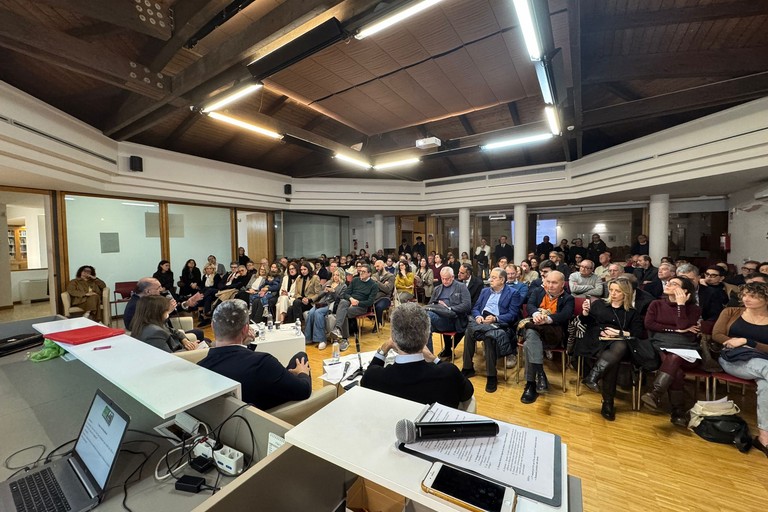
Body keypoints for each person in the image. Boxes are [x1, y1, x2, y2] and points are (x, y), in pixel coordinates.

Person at [198, 299, 311, 411]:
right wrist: (303, 373)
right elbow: (303, 391)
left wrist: (245, 342)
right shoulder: (263, 362)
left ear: (213, 326)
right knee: (301, 357)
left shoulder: (201, 367)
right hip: (274, 415)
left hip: (240, 413)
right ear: (246, 329)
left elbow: (237, 359)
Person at [361, 303, 474, 408]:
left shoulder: (375, 377)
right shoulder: (449, 373)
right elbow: (467, 393)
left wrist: (384, 349)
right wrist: (434, 359)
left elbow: (367, 378)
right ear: (426, 338)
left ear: (393, 338)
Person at [576, 279, 644, 420]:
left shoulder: (631, 312)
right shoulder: (600, 304)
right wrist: (585, 313)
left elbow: (638, 333)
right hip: (596, 340)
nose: (613, 293)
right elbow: (586, 322)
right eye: (611, 290)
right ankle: (607, 402)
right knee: (612, 361)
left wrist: (619, 333)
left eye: (617, 291)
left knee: (619, 347)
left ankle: (594, 378)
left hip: (618, 343)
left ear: (626, 293)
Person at [713, 282, 768, 456]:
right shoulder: (731, 312)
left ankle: (764, 438)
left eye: (753, 296)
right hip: (733, 358)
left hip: (762, 360)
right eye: (744, 295)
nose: (746, 299)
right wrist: (737, 343)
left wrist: (747, 341)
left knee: (766, 385)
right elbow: (717, 334)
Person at [640, 276, 702, 426]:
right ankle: (677, 412)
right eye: (668, 282)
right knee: (677, 372)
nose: (668, 285)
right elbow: (649, 324)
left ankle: (656, 394)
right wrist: (676, 330)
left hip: (686, 347)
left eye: (674, 284)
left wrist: (681, 305)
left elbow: (683, 324)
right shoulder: (656, 304)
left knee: (675, 360)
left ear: (685, 290)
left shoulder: (694, 308)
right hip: (661, 344)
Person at [461, 268, 522, 393]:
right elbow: (476, 308)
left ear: (502, 280)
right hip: (482, 321)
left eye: (494, 278)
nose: (490, 280)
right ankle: (468, 367)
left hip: (499, 324)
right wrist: (478, 316)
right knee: (468, 331)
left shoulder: (513, 293)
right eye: (491, 277)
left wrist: (495, 318)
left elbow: (513, 315)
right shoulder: (485, 291)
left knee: (489, 337)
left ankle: (491, 376)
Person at [520, 271, 574, 404]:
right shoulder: (538, 291)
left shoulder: (568, 298)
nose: (550, 285)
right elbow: (530, 305)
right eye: (548, 282)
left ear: (562, 284)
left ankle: (532, 383)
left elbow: (565, 315)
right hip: (536, 331)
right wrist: (536, 314)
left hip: (553, 334)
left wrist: (548, 319)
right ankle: (535, 379)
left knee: (529, 340)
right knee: (531, 337)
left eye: (555, 283)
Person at [123, 277, 204, 339]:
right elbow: (151, 323)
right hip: (160, 336)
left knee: (200, 335)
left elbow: (166, 311)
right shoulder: (137, 305)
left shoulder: (147, 300)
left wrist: (186, 303)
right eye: (158, 288)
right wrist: (167, 312)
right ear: (148, 291)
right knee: (199, 334)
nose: (161, 290)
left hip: (167, 332)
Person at [330, 264, 379, 350]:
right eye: (360, 271)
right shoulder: (355, 280)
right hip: (350, 302)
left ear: (369, 274)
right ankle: (338, 330)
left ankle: (344, 338)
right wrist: (351, 299)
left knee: (344, 311)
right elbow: (346, 294)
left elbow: (370, 302)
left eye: (364, 272)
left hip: (361, 306)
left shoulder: (373, 285)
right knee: (343, 302)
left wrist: (358, 303)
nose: (361, 273)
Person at [131, 295, 199, 352]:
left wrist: (184, 340)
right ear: (158, 312)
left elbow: (172, 330)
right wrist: (191, 349)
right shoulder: (155, 332)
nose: (168, 311)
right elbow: (169, 356)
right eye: (166, 310)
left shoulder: (147, 323)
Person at [427, 267, 471, 355]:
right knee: (425, 327)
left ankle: (429, 359)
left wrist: (449, 308)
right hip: (437, 317)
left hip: (453, 319)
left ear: (452, 277)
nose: (444, 281)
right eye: (442, 278)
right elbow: (430, 304)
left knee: (426, 319)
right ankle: (429, 357)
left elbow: (467, 306)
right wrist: (437, 305)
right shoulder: (437, 289)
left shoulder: (461, 287)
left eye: (446, 279)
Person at [305, 268, 347, 349]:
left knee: (318, 313)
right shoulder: (329, 282)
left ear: (341, 276)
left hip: (331, 304)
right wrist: (324, 291)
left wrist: (333, 292)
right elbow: (319, 294)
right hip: (322, 302)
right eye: (334, 275)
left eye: (337, 275)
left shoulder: (343, 286)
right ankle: (308, 338)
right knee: (310, 313)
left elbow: (340, 299)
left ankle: (321, 340)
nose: (335, 277)